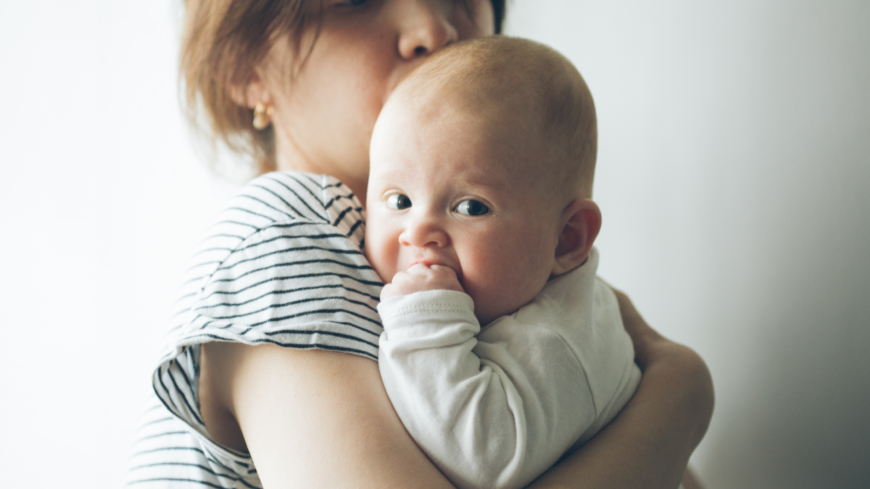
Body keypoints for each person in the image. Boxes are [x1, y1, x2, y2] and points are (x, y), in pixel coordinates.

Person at [127, 1, 714, 488]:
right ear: (246, 67)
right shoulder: (280, 234)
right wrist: (679, 401)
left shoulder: (518, 282)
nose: (435, 28)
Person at [367, 36, 641, 489]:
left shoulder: (560, 342)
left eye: (471, 207)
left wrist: (424, 323)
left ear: (566, 239)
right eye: (399, 199)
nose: (416, 232)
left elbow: (484, 461)